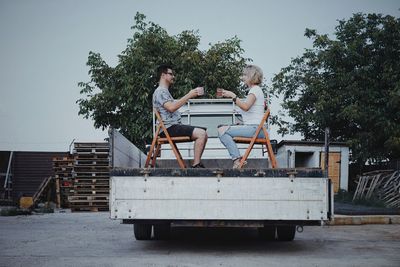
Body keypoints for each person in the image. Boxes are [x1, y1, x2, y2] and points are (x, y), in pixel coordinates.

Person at [152, 64, 208, 168]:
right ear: (163, 75)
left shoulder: (164, 92)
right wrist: (189, 95)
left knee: (204, 134)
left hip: (171, 127)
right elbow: (172, 107)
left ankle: (196, 163)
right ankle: (196, 165)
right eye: (171, 74)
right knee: (201, 134)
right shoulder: (160, 91)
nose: (173, 76)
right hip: (168, 129)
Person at [217, 64, 266, 168]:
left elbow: (245, 106)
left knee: (222, 130)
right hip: (256, 129)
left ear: (251, 76)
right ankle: (237, 159)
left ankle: (236, 160)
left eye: (244, 75)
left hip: (256, 129)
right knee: (222, 129)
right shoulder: (255, 90)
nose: (242, 77)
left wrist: (233, 96)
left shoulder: (255, 90)